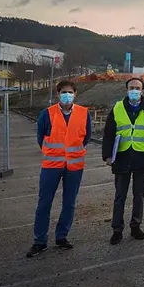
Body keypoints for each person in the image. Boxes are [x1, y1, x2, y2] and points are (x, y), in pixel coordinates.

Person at [26, 80, 92, 257]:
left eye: (70, 92)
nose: (67, 95)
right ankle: (39, 241)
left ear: (75, 94)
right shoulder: (46, 114)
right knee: (44, 204)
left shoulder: (84, 114)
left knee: (69, 204)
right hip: (51, 166)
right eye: (64, 92)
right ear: (58, 94)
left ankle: (61, 237)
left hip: (74, 167)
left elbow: (86, 138)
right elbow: (41, 139)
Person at [102, 77, 144, 245]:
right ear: (126, 90)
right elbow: (108, 133)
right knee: (120, 196)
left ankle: (136, 226)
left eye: (137, 87)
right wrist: (107, 155)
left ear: (142, 91)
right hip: (121, 158)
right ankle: (117, 229)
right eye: (131, 87)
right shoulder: (117, 108)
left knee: (139, 195)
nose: (134, 90)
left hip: (142, 158)